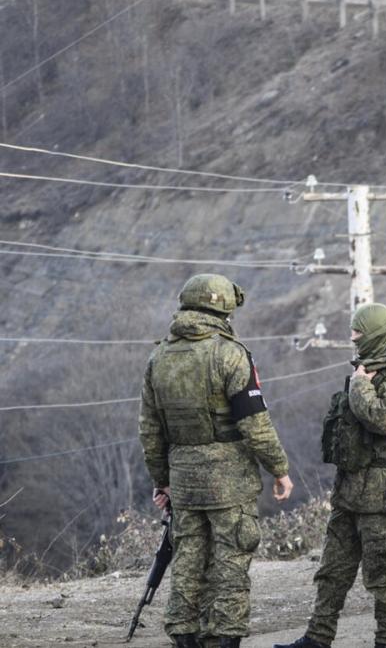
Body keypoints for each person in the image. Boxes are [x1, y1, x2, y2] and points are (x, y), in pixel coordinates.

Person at [139, 273, 294, 648]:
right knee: (232, 556)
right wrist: (279, 469)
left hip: (184, 479)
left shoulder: (158, 357)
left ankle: (183, 630)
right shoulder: (230, 353)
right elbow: (255, 423)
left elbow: (150, 428)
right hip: (230, 478)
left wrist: (162, 480)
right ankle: (225, 635)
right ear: (225, 309)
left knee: (188, 555)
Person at [275, 303, 386, 648]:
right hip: (350, 490)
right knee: (332, 571)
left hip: (382, 493)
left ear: (376, 334)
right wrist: (360, 382)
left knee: (382, 574)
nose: (353, 338)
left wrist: (360, 387)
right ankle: (317, 637)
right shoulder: (366, 371)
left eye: (359, 333)